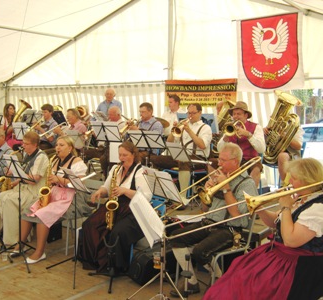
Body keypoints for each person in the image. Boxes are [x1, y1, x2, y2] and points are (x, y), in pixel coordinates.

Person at [204, 158, 323, 300]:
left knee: (249, 286)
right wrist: (259, 208)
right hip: (280, 256)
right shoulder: (301, 198)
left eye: (294, 178)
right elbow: (275, 223)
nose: (290, 182)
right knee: (238, 274)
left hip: (297, 266)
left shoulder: (318, 208)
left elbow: (291, 240)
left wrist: (285, 207)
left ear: (307, 180)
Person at [169, 143, 258, 297]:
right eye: (219, 159)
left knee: (199, 252)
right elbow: (204, 209)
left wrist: (225, 188)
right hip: (209, 222)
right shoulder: (218, 176)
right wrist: (208, 191)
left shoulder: (247, 183)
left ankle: (219, 280)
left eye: (223, 160)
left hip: (230, 228)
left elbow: (237, 215)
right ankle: (191, 281)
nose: (219, 163)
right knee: (175, 237)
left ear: (236, 161)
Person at [13, 136, 90, 264]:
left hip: (72, 197)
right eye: (57, 145)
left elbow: (79, 185)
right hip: (55, 194)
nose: (57, 148)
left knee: (42, 215)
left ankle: (39, 252)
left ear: (70, 148)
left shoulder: (77, 163)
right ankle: (20, 244)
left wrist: (59, 180)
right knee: (27, 210)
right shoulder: (55, 160)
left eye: (61, 145)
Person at [78, 141, 152, 272]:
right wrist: (101, 191)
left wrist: (125, 191)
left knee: (117, 232)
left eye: (125, 155)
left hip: (133, 210)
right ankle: (93, 260)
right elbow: (106, 187)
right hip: (115, 205)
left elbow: (146, 196)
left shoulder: (141, 172)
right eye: (120, 155)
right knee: (90, 224)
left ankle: (115, 266)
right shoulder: (115, 169)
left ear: (133, 155)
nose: (122, 158)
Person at [0, 131, 48, 245]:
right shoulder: (27, 154)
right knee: (1, 196)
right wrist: (14, 177)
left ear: (35, 145)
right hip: (24, 187)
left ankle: (14, 239)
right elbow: (24, 174)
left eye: (26, 144)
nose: (23, 146)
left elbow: (34, 179)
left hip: (34, 191)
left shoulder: (41, 157)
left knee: (9, 201)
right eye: (23, 143)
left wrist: (18, 173)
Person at [151, 103, 212, 193]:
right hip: (182, 157)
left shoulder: (206, 128)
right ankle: (158, 191)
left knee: (183, 162)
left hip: (199, 159)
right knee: (155, 159)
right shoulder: (183, 127)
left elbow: (202, 145)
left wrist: (189, 131)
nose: (190, 116)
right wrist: (174, 129)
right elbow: (169, 142)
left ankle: (182, 197)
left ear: (200, 113)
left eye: (193, 113)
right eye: (188, 113)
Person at [217, 101, 265, 187]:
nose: (235, 117)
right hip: (233, 160)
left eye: (238, 114)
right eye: (234, 114)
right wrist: (225, 138)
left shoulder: (256, 127)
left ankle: (251, 194)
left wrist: (248, 135)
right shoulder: (229, 127)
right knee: (211, 163)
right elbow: (219, 149)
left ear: (246, 115)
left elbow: (261, 149)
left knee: (257, 169)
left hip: (250, 160)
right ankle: (223, 191)